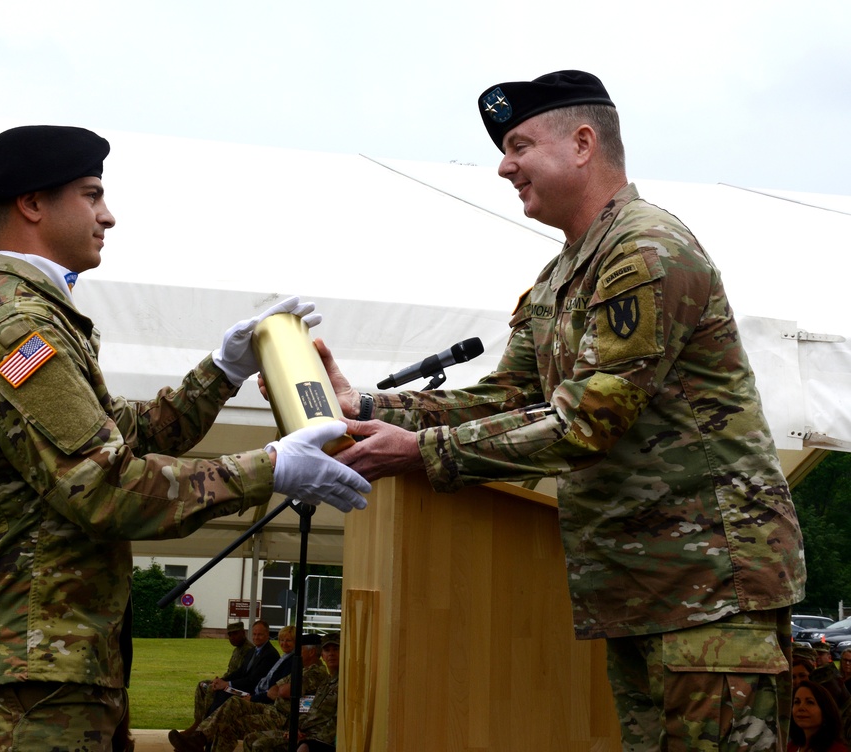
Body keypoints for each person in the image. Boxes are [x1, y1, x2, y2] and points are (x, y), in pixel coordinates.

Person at [322, 70, 806, 750]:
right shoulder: (563, 274)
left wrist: (423, 455)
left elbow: (587, 422)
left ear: (582, 143)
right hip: (643, 588)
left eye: (519, 145)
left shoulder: (645, 251)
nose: (502, 166)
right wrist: (367, 406)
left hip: (711, 588)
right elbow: (505, 397)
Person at [0, 124, 370, 752]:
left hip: (41, 662)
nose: (109, 216)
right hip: (23, 674)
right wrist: (271, 468)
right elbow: (107, 489)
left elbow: (125, 440)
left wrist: (222, 370)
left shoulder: (36, 319)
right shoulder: (20, 329)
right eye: (92, 195)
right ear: (33, 204)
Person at [172, 633, 329, 752]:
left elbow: (282, 690)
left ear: (311, 652)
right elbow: (274, 689)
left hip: (282, 718)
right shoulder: (301, 669)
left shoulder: (315, 672)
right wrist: (279, 691)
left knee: (228, 726)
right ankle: (199, 738)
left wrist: (280, 690)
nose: (296, 653)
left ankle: (198, 740)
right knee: (234, 702)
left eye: (299, 649)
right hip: (272, 709)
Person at [243, 633, 340, 752]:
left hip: (316, 739)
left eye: (336, 649)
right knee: (250, 738)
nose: (331, 654)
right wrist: (296, 729)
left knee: (260, 744)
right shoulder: (326, 683)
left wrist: (307, 739)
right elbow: (311, 711)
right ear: (323, 655)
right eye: (327, 650)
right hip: (301, 730)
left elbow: (336, 722)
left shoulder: (340, 683)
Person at [191, 622, 255, 732]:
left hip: (238, 688)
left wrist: (222, 682)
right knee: (202, 685)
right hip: (227, 682)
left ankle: (204, 727)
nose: (232, 638)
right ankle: (198, 722)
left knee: (211, 689)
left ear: (243, 633)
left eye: (235, 634)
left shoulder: (248, 650)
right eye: (230, 635)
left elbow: (241, 674)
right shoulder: (238, 649)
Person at [788, 680, 849, 752]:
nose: (801, 708)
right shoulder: (790, 747)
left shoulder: (837, 750)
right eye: (797, 702)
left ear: (825, 710)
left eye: (810, 702)